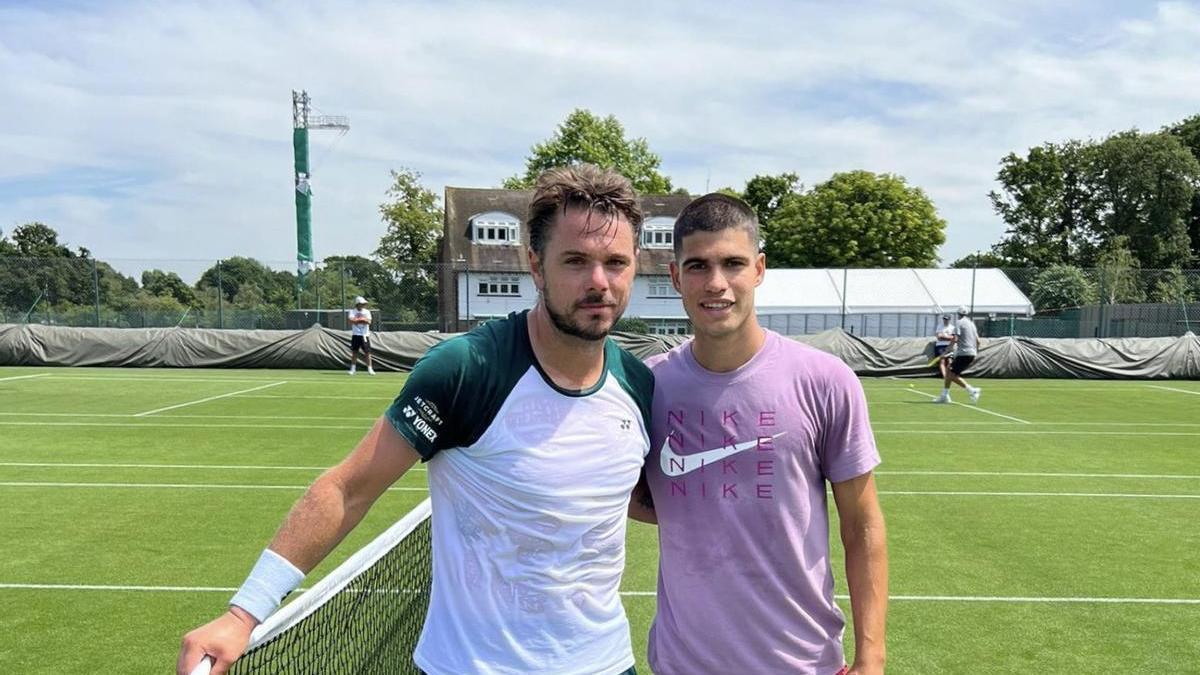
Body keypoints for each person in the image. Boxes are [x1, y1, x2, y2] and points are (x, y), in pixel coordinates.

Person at [178, 164, 653, 675]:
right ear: (535, 266)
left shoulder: (639, 386)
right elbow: (347, 489)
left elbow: (625, 496)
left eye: (615, 262)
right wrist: (242, 613)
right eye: (576, 261)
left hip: (606, 664)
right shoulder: (467, 370)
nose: (599, 281)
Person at [629, 194, 888, 675]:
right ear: (674, 276)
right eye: (698, 266)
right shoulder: (648, 385)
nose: (717, 283)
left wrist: (872, 654)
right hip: (683, 665)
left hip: (802, 662)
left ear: (760, 269)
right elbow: (621, 494)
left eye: (733, 263)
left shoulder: (825, 380)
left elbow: (863, 524)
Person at [934, 305, 981, 404]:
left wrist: (946, 351)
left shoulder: (959, 323)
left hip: (964, 353)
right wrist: (974, 351)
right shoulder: (972, 324)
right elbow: (978, 341)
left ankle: (972, 390)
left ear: (958, 314)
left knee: (950, 374)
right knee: (949, 371)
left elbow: (955, 339)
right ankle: (945, 395)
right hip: (971, 353)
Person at [347, 296, 375, 375]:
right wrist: (362, 320)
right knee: (355, 352)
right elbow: (351, 320)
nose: (363, 305)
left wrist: (359, 320)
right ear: (357, 304)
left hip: (365, 335)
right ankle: (353, 369)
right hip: (356, 335)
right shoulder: (352, 312)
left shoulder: (367, 312)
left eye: (364, 304)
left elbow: (368, 321)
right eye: (362, 304)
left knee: (367, 352)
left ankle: (370, 369)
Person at [933, 313, 956, 379]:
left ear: (949, 320)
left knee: (949, 361)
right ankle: (945, 376)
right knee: (942, 360)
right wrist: (949, 337)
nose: (945, 320)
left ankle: (950, 375)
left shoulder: (952, 328)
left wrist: (945, 336)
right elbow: (939, 337)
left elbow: (954, 338)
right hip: (940, 346)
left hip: (949, 346)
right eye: (944, 319)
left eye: (947, 319)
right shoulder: (939, 326)